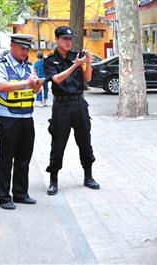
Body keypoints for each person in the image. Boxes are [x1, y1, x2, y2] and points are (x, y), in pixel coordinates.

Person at [43, 26, 100, 195]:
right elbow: (57, 80)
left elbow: (87, 78)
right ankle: (53, 180)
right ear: (57, 39)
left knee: (85, 141)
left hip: (79, 104)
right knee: (58, 143)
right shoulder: (50, 60)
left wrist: (87, 62)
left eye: (70, 39)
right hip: (61, 106)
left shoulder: (78, 56)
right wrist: (75, 65)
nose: (68, 42)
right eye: (64, 39)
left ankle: (88, 176)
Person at [0, 34, 44, 210]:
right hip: (7, 117)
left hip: (26, 117)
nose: (25, 51)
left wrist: (37, 86)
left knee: (24, 157)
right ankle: (4, 197)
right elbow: (1, 86)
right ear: (12, 45)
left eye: (27, 48)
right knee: (6, 158)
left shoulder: (29, 66)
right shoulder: (1, 64)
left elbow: (35, 90)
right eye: (22, 48)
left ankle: (21, 193)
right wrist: (26, 83)